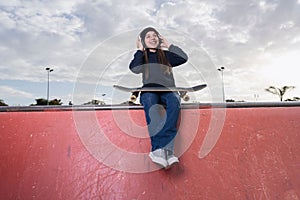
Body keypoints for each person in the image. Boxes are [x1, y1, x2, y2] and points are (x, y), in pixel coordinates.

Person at [129, 27, 188, 168]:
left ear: (159, 39)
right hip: (150, 91)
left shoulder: (166, 55)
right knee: (151, 105)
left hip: (168, 90)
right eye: (148, 36)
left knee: (174, 102)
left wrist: (168, 45)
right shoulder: (143, 57)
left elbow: (183, 58)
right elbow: (135, 68)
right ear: (143, 41)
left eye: (155, 36)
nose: (152, 38)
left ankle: (166, 150)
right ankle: (159, 150)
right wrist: (139, 50)